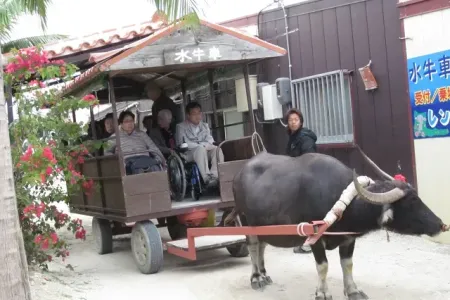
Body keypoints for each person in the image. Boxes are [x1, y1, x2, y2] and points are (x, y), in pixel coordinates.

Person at [285, 108, 318, 254]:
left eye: (296, 120)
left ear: (301, 122)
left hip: (307, 180)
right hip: (296, 179)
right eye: (290, 120)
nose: (293, 122)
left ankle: (309, 243)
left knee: (308, 212)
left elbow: (309, 159)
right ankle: (301, 240)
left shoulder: (305, 137)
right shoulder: (293, 137)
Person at [176, 102, 224, 187]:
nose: (197, 116)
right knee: (200, 149)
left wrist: (203, 145)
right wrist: (200, 146)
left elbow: (210, 140)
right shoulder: (180, 127)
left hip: (204, 150)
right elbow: (182, 143)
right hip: (189, 154)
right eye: (194, 113)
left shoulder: (205, 126)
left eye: (199, 113)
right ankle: (207, 178)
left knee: (217, 149)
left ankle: (215, 176)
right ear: (188, 115)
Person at [106, 110, 165, 175]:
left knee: (156, 168)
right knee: (136, 170)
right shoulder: (115, 137)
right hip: (127, 162)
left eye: (131, 121)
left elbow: (153, 148)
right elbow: (107, 151)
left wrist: (161, 160)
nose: (130, 124)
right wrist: (117, 161)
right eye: (126, 121)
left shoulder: (142, 134)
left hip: (145, 159)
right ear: (121, 124)